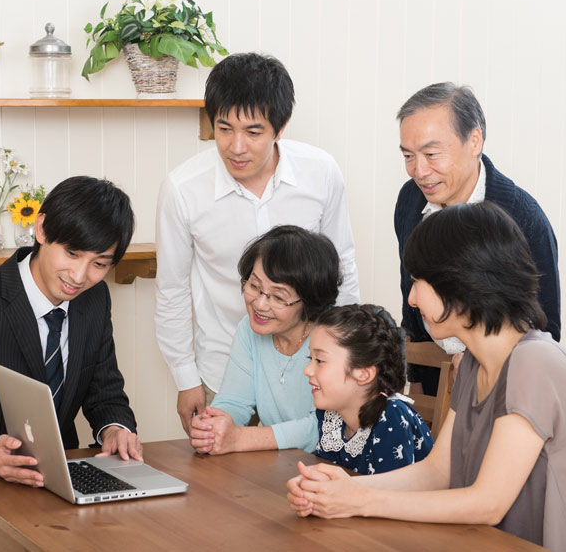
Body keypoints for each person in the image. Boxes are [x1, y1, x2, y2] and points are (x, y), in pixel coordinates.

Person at [287, 203, 566, 551]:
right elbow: (438, 472)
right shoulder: (472, 363)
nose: (411, 299)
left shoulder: (535, 362)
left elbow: (487, 504)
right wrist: (352, 489)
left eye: (417, 282)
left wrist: (357, 503)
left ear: (459, 284)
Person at [155, 52, 360, 434]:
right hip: (222, 371)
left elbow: (342, 270)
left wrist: (344, 359)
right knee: (230, 481)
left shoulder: (321, 173)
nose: (236, 147)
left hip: (313, 366)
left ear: (280, 128)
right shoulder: (183, 189)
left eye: (253, 132)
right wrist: (186, 379)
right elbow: (172, 290)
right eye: (224, 128)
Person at [0, 176, 143, 486]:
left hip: (64, 483)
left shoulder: (95, 299)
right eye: (72, 254)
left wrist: (116, 430)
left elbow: (106, 394)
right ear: (42, 228)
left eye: (99, 264)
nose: (79, 276)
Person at [393, 82, 560, 396]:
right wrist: (415, 380)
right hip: (434, 382)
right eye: (408, 156)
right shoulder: (410, 201)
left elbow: (545, 326)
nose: (419, 170)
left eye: (431, 154)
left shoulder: (522, 218)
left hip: (503, 389)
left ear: (474, 141)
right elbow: (410, 296)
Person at [188, 225, 341, 454]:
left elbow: (319, 428)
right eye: (254, 286)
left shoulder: (334, 340)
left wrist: (239, 439)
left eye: (278, 297)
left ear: (309, 301)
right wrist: (214, 426)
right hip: (280, 467)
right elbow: (235, 401)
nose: (259, 304)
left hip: (334, 468)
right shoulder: (249, 331)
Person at [306, 304, 432, 475]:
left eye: (319, 360)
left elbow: (390, 497)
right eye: (310, 358)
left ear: (364, 374)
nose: (307, 370)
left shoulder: (392, 417)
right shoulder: (330, 415)